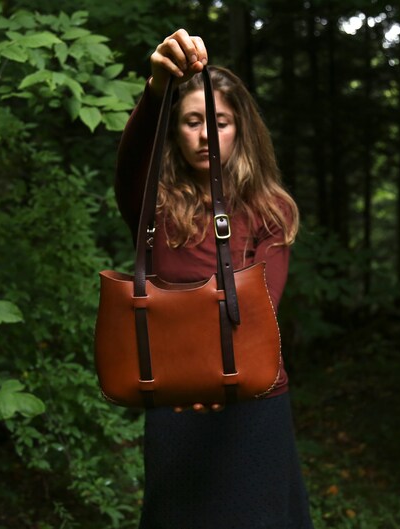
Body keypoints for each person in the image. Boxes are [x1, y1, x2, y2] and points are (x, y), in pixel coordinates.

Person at [115, 29, 313, 529]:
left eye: (219, 122)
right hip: (177, 401)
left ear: (239, 130)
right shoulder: (155, 206)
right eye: (192, 122)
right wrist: (158, 88)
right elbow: (132, 163)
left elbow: (259, 306)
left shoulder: (270, 209)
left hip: (253, 400)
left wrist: (209, 367)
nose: (206, 135)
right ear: (174, 132)